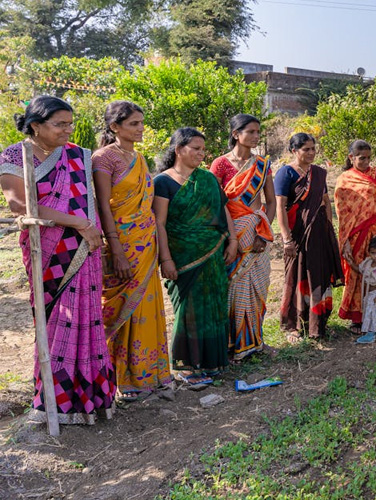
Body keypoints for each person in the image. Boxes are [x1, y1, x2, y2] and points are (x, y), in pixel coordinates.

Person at [0, 96, 116, 424]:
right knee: (54, 320)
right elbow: (20, 206)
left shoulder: (77, 156)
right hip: (47, 249)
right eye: (59, 124)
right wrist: (78, 223)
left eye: (70, 123)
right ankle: (55, 402)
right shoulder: (14, 155)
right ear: (36, 126)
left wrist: (88, 229)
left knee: (87, 318)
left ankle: (90, 401)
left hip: (85, 250)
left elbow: (89, 202)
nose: (68, 129)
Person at [92, 100, 172, 400]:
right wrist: (116, 249)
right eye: (133, 124)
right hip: (122, 245)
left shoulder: (138, 158)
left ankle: (149, 375)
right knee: (119, 308)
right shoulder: (103, 158)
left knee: (147, 307)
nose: (140, 128)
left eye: (141, 123)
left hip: (146, 243)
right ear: (115, 127)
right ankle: (121, 378)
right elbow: (103, 206)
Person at [153, 128, 236, 387]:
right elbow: (160, 223)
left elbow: (224, 210)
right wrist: (165, 259)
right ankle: (186, 366)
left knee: (213, 305)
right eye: (195, 149)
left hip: (213, 252)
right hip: (182, 255)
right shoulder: (162, 182)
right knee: (188, 309)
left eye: (203, 149)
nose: (201, 154)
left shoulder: (208, 179)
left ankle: (211, 361)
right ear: (178, 150)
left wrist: (232, 240)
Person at [210, 114, 275, 361]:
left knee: (258, 289)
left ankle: (255, 342)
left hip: (257, 236)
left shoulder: (263, 165)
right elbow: (216, 202)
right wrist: (227, 238)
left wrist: (262, 232)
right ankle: (231, 344)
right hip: (231, 236)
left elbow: (270, 202)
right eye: (251, 132)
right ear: (236, 134)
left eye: (258, 132)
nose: (256, 136)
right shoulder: (220, 164)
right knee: (232, 290)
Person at [275, 133, 343, 341]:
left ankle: (318, 322)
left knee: (320, 275)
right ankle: (295, 325)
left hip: (319, 234)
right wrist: (286, 238)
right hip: (297, 234)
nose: (311, 153)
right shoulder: (285, 173)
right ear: (294, 151)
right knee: (297, 276)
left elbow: (325, 201)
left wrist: (329, 230)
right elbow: (280, 206)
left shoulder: (319, 173)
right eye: (306, 149)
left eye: (313, 148)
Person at [334, 140, 376, 334]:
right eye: (361, 158)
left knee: (375, 272)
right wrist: (345, 240)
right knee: (357, 273)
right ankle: (357, 318)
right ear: (351, 158)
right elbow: (342, 213)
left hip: (374, 231)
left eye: (368, 158)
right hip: (354, 234)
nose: (366, 162)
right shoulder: (344, 180)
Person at [344, 236, 376, 344]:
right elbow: (360, 270)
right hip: (369, 294)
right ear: (369, 252)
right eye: (373, 253)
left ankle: (370, 334)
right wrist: (350, 262)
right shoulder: (368, 263)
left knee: (373, 314)